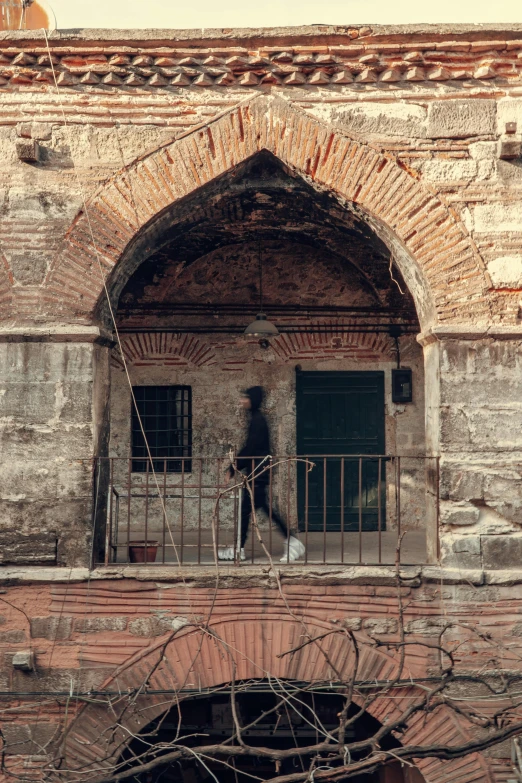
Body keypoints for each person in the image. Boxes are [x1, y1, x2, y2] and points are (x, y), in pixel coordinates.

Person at [218, 386, 305, 563]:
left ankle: (290, 541)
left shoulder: (258, 421)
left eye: (246, 398)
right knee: (255, 508)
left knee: (251, 509)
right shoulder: (256, 419)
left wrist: (233, 468)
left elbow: (250, 447)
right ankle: (241, 548)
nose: (242, 401)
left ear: (253, 400)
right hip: (257, 471)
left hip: (258, 471)